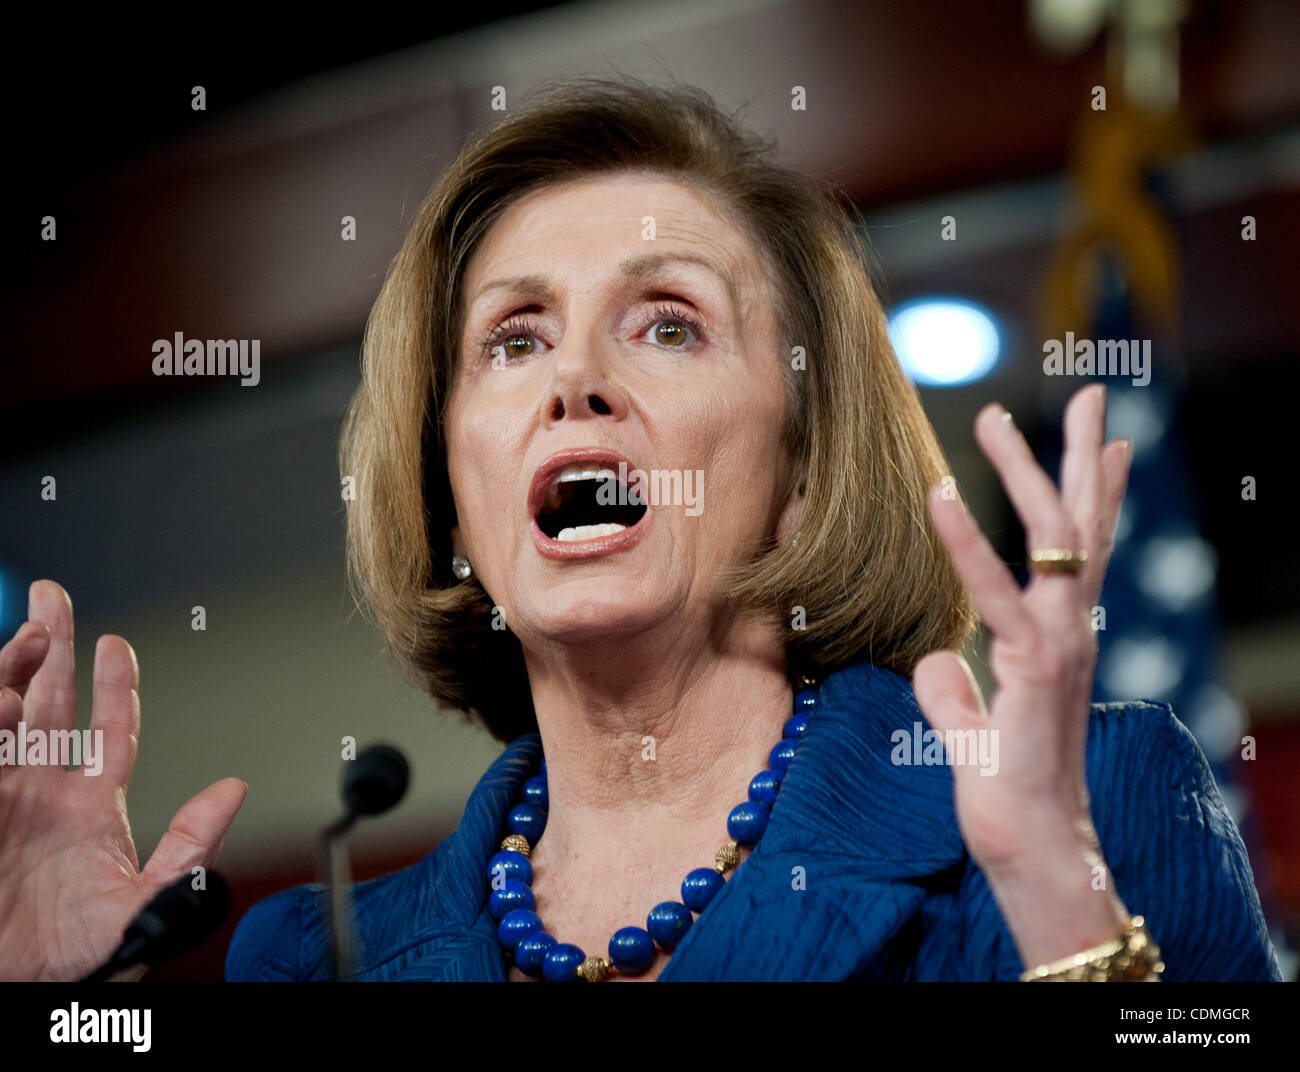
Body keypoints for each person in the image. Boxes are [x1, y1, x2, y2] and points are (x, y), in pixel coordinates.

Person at [0, 79, 1281, 983]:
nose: (574, 380)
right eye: (513, 338)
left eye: (668, 322)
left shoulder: (1089, 807)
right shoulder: (318, 949)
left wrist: (1057, 899)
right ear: (451, 494)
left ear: (803, 464)